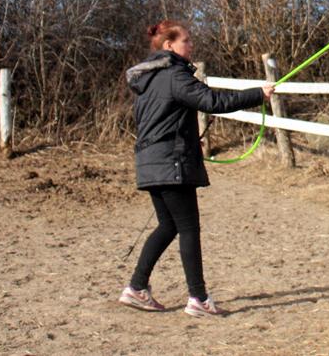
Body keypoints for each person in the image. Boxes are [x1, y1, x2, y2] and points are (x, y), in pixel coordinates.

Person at [117, 19, 274, 317]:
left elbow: (163, 120)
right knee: (188, 228)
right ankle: (198, 298)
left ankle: (137, 287)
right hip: (170, 163)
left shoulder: (149, 81)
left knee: (168, 226)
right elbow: (213, 101)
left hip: (151, 162)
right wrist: (258, 94)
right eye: (186, 40)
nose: (191, 45)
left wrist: (188, 138)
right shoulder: (175, 75)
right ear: (169, 45)